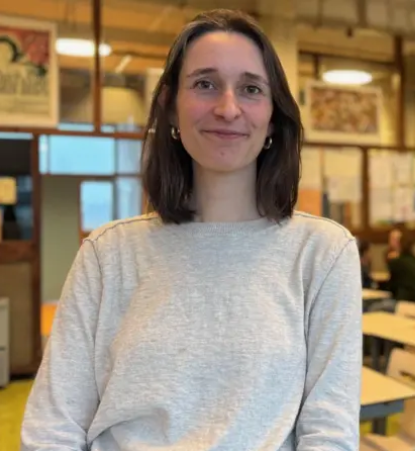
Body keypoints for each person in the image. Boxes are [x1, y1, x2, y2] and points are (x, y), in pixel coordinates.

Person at [21, 10, 362, 451]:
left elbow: (330, 433)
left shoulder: (323, 253)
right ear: (170, 105)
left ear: (273, 116)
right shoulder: (108, 254)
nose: (228, 108)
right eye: (205, 84)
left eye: (251, 89)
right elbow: (52, 429)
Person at [387, 233, 415, 303]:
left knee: (374, 306)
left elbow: (392, 286)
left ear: (399, 245)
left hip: (401, 302)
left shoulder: (397, 262)